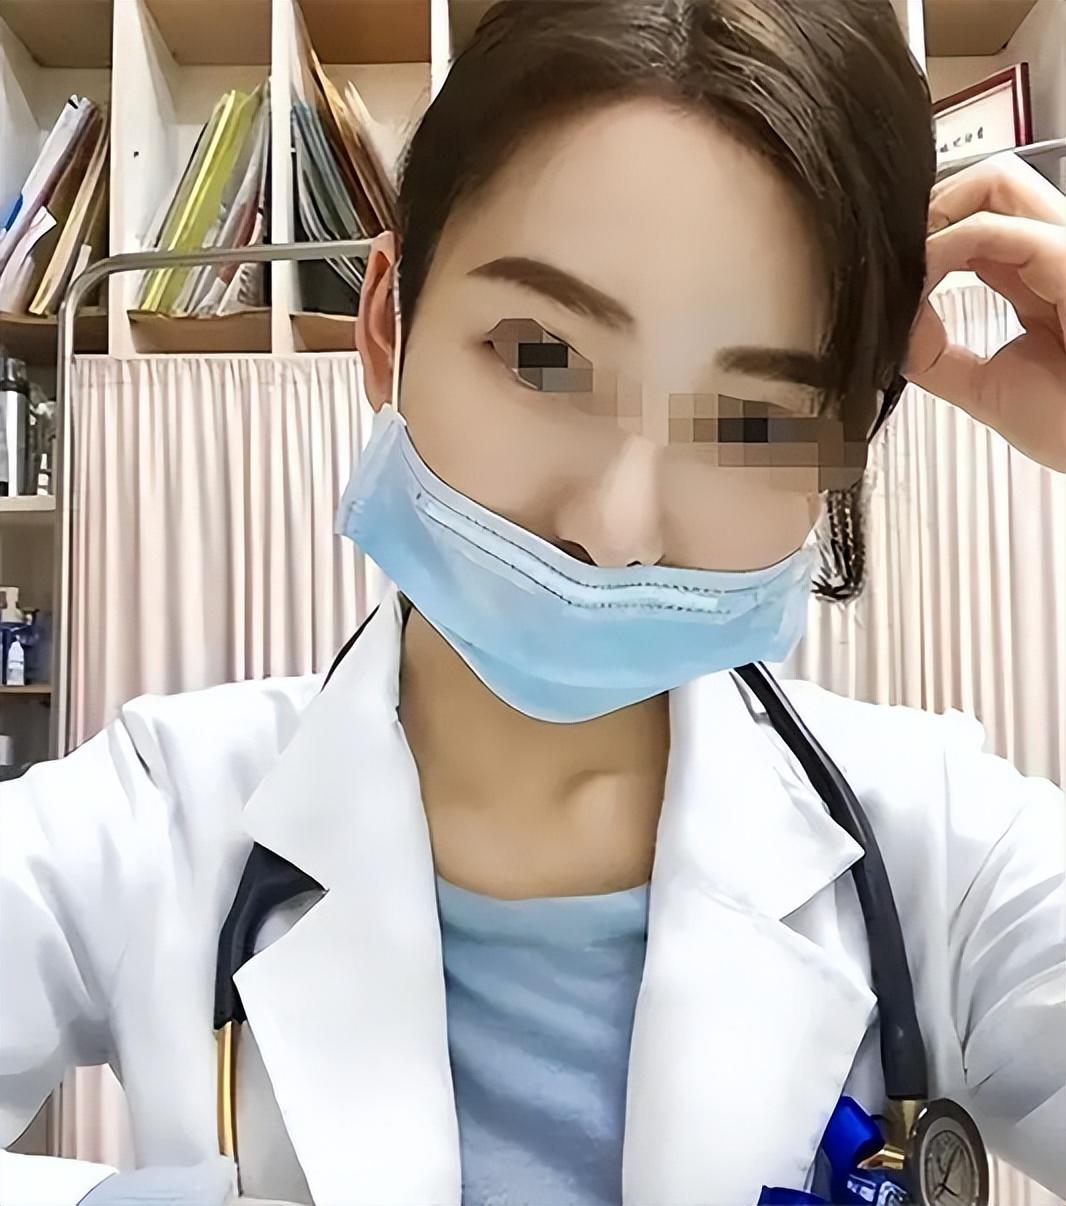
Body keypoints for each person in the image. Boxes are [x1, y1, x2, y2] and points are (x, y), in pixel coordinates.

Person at [2, 2, 1064, 1204]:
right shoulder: (156, 815)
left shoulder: (954, 856)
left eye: (753, 421)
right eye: (542, 358)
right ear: (387, 324)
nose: (614, 528)